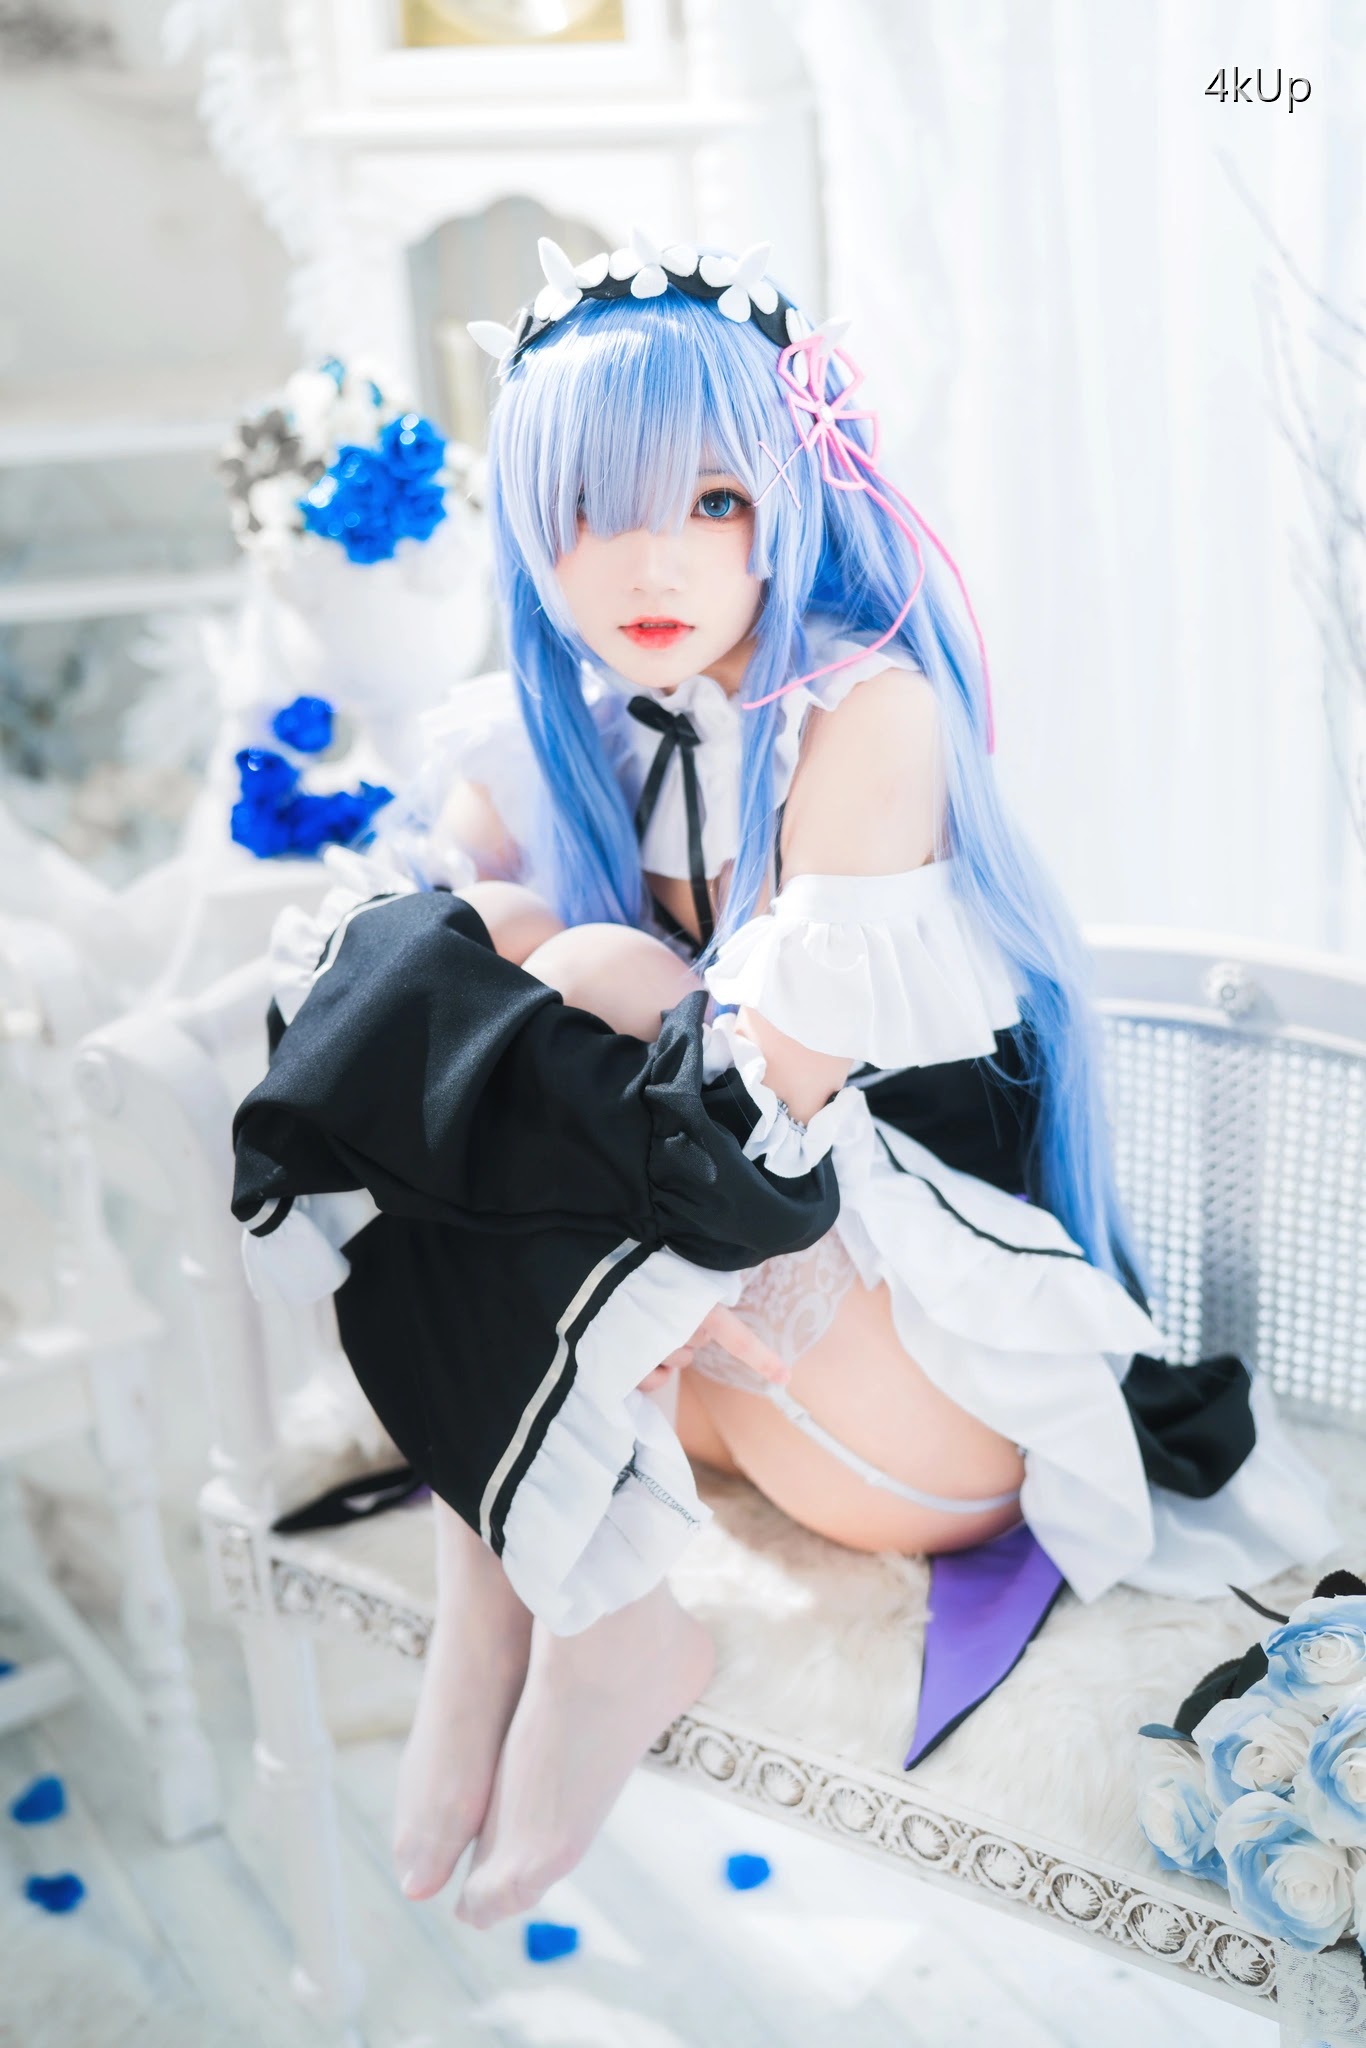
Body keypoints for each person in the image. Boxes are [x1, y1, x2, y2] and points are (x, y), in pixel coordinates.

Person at [231, 230, 1336, 1932]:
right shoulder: (549, 729)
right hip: (692, 1377)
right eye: (587, 508)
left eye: (713, 499)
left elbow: (748, 1149)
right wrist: (509, 962)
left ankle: (587, 1618)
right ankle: (507, 1588)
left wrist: (581, 971)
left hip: (914, 1396)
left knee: (550, 977)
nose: (649, 559)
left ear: (795, 493)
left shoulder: (862, 715)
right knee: (456, 965)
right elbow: (376, 1029)